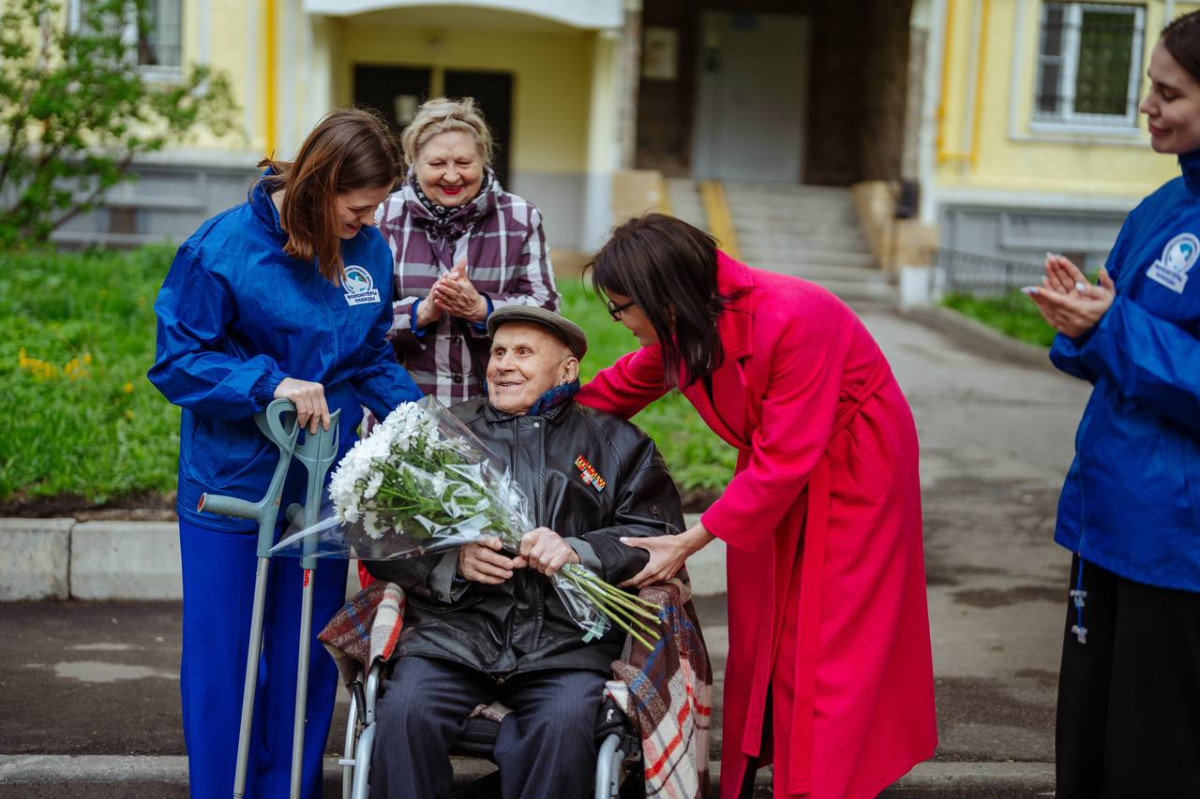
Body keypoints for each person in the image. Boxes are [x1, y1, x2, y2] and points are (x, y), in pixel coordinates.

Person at [576, 215, 937, 799]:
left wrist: (688, 540)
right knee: (765, 622)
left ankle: (824, 782)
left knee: (830, 634)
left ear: (662, 298)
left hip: (855, 468)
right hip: (777, 466)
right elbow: (618, 388)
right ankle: (778, 760)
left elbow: (786, 459)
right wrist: (538, 414)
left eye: (621, 308)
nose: (618, 321)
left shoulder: (794, 314)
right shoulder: (689, 319)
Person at [148, 108, 422, 799]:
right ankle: (223, 789)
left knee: (305, 655)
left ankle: (286, 790)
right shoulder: (221, 248)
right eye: (356, 210)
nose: (366, 224)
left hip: (321, 486)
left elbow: (366, 355)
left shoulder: (369, 251)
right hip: (230, 485)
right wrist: (270, 381)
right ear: (318, 188)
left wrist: (421, 421)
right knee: (226, 658)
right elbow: (178, 362)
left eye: (375, 211)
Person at [364, 305, 683, 799]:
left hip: (566, 646)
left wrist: (579, 550)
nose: (503, 364)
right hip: (454, 639)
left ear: (567, 369)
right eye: (497, 352)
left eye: (522, 352)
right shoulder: (441, 434)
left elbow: (655, 534)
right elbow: (381, 533)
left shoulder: (616, 443)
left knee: (562, 727)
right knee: (405, 713)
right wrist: (451, 562)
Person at [1025, 12, 1200, 797]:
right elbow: (1118, 344)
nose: (1147, 107)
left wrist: (1113, 324)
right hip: (1107, 521)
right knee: (1089, 745)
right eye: (1150, 87)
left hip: (1178, 545)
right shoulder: (1162, 208)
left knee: (1154, 755)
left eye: (1169, 93)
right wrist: (1081, 319)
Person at [378, 96, 559, 405]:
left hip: (494, 409)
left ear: (484, 159)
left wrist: (482, 309)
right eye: (437, 164)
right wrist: (420, 313)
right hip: (403, 406)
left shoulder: (520, 217)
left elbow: (548, 310)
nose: (451, 176)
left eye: (464, 162)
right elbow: (358, 316)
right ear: (414, 162)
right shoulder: (385, 216)